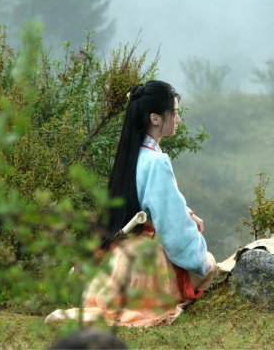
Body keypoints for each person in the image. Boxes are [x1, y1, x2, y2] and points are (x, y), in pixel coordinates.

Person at [46, 80, 216, 327]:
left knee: (108, 308)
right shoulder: (157, 161)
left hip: (121, 253)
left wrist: (187, 213)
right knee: (209, 265)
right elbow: (174, 229)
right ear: (155, 118)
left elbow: (153, 201)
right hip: (145, 259)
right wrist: (198, 255)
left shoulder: (133, 155)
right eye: (175, 113)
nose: (178, 119)